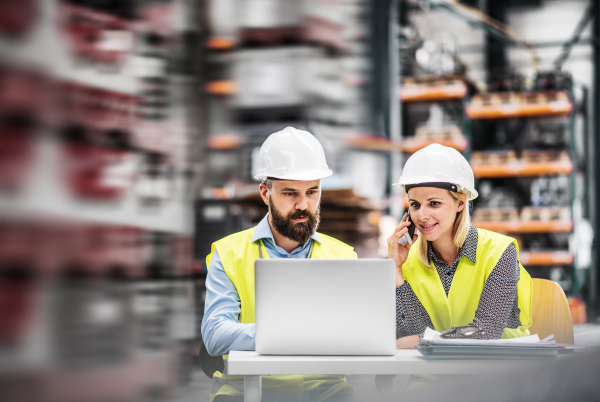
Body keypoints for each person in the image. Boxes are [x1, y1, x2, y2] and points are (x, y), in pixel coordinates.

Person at [201, 127, 357, 402]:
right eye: (289, 193)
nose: (302, 204)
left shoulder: (344, 256)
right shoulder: (228, 254)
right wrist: (282, 333)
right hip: (245, 389)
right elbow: (215, 334)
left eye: (312, 192)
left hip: (326, 392)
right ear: (265, 193)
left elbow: (359, 335)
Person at [388, 143, 533, 349]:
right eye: (415, 205)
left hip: (496, 376)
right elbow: (408, 334)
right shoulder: (406, 260)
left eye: (434, 203)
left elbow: (486, 331)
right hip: (430, 379)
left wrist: (424, 340)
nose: (422, 215)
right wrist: (394, 269)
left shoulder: (500, 252)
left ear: (460, 203)